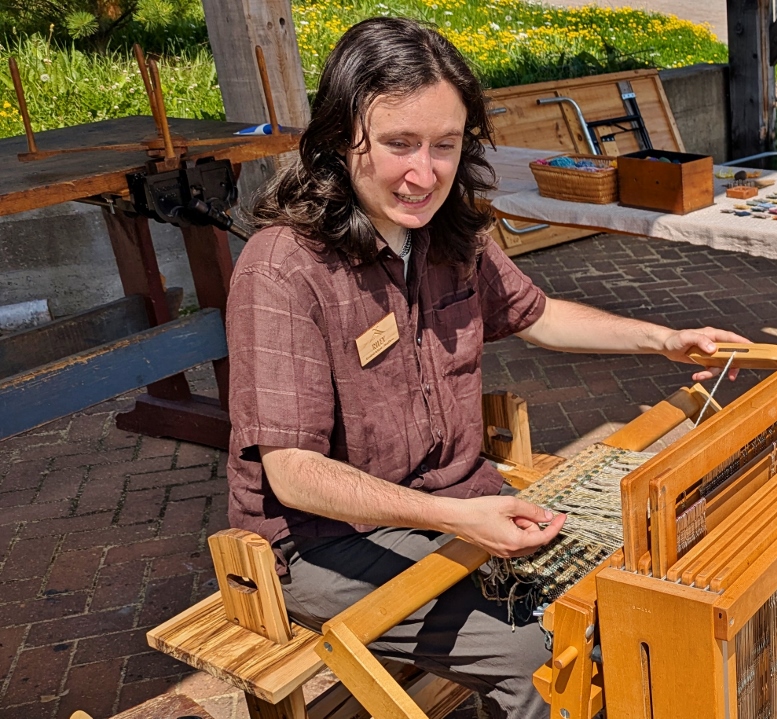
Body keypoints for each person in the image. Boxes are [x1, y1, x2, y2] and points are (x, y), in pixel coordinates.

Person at [223, 16, 749, 718]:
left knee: (618, 602)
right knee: (539, 655)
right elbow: (292, 473)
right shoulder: (284, 269)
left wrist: (666, 339)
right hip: (326, 545)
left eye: (444, 145)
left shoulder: (450, 234)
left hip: (456, 508)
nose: (424, 173)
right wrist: (459, 517)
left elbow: (537, 313)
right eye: (398, 144)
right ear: (338, 139)